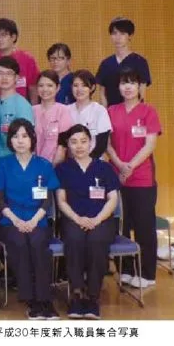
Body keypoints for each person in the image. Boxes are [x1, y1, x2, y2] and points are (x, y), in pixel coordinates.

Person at [0, 118, 60, 320]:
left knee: (38, 244)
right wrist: (16, 220)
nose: (20, 140)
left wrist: (34, 220)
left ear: (32, 139)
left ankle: (45, 300)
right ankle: (31, 300)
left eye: (24, 136)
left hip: (38, 220)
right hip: (10, 221)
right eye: (15, 136)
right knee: (19, 243)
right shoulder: (2, 165)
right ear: (9, 140)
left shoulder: (44, 165)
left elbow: (47, 200)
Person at [56, 124, 120, 319]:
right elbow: (61, 201)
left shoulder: (104, 168)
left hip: (102, 220)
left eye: (83, 141)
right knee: (74, 240)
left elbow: (113, 199)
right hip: (73, 219)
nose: (79, 146)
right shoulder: (63, 169)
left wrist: (97, 219)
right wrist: (77, 218)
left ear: (91, 143)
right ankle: (76, 294)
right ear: (68, 145)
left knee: (96, 240)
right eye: (74, 142)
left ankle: (93, 296)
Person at [107, 70, 162, 290]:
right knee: (121, 225)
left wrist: (130, 166)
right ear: (118, 87)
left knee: (144, 226)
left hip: (141, 178)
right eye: (123, 83)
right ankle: (126, 270)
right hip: (117, 177)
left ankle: (147, 273)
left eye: (132, 83)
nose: (128, 87)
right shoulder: (111, 111)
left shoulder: (149, 111)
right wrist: (120, 164)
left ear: (140, 86)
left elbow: (150, 145)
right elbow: (107, 144)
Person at [96, 17, 151, 108]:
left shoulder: (140, 62)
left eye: (122, 33)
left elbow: (142, 93)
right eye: (114, 33)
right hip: (111, 112)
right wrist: (105, 113)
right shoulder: (105, 64)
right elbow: (102, 94)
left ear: (130, 36)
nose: (118, 37)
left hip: (133, 111)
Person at [0, 57, 35, 162]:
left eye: (9, 73)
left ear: (17, 77)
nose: (4, 77)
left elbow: (28, 140)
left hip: (15, 162)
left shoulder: (23, 105)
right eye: (0, 73)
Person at [0, 18, 40, 103]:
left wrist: (33, 108)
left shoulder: (27, 59)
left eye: (3, 35)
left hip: (19, 107)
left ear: (13, 37)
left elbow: (33, 87)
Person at [67, 71, 112, 159]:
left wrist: (87, 161)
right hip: (71, 162)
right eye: (75, 85)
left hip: (94, 161)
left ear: (92, 87)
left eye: (84, 85)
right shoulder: (66, 110)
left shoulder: (99, 110)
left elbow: (102, 144)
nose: (79, 89)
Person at [34, 70, 75, 165]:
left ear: (58, 88)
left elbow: (63, 145)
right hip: (33, 165)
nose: (45, 89)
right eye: (41, 85)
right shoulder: (31, 110)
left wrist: (52, 167)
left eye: (50, 85)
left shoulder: (63, 111)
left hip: (55, 165)